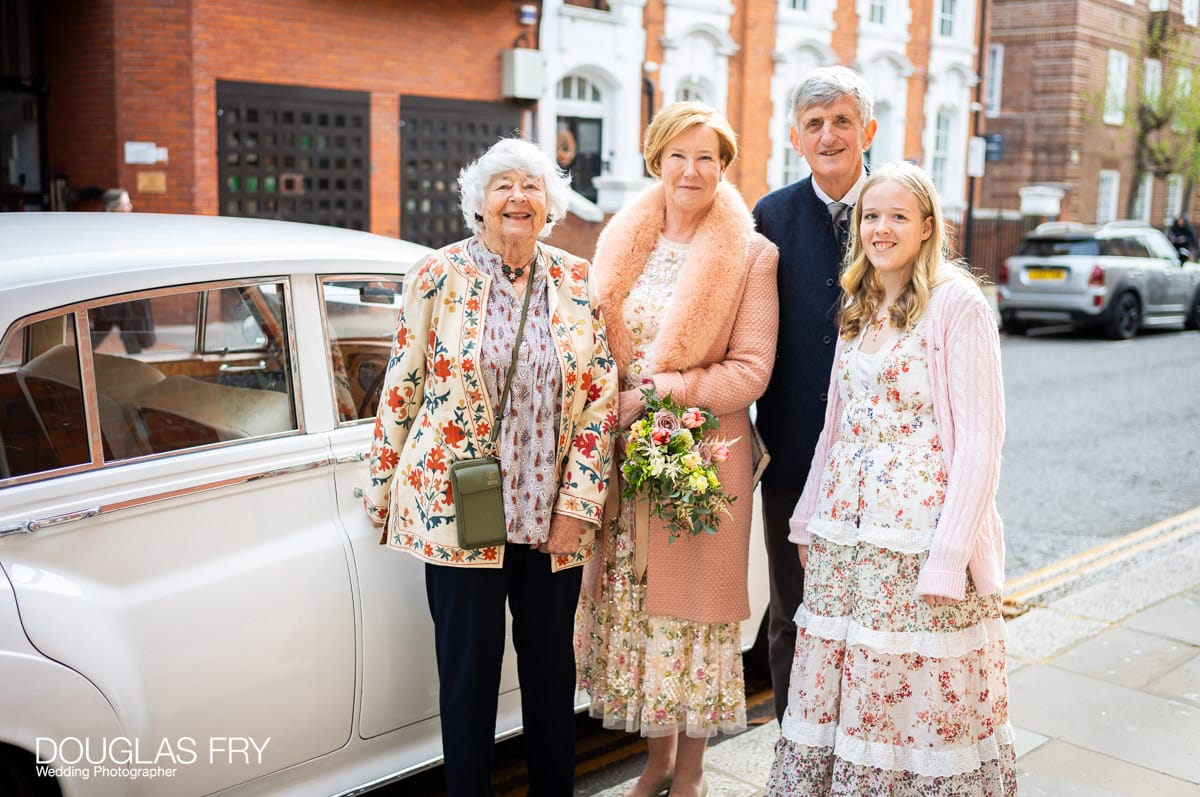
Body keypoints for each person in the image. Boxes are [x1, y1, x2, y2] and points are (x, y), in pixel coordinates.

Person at [362, 137, 618, 796]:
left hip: (549, 518)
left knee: (550, 676)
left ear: (549, 204)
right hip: (460, 515)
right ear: (480, 202)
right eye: (503, 185)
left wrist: (579, 506)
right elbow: (403, 385)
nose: (517, 198)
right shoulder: (436, 275)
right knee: (469, 678)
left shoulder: (574, 278)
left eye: (531, 186)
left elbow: (599, 398)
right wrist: (381, 487)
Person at [765, 161, 1016, 795]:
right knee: (855, 687)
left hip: (917, 540)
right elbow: (835, 426)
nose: (881, 228)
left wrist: (948, 554)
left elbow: (982, 441)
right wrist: (805, 515)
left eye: (898, 216)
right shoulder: (861, 303)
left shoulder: (958, 304)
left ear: (928, 227)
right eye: (871, 216)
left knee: (913, 690)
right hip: (847, 542)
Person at [576, 101, 779, 797]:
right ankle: (656, 761)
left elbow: (750, 371)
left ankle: (688, 772)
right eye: (679, 156)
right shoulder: (621, 238)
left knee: (689, 621)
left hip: (700, 463)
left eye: (708, 158)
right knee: (641, 616)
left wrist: (658, 393)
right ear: (656, 159)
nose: (692, 171)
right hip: (626, 463)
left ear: (724, 168)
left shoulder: (751, 254)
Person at [752, 65, 877, 723]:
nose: (828, 135)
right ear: (796, 138)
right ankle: (792, 756)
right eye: (814, 124)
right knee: (792, 610)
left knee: (873, 614)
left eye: (841, 121)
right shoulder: (770, 215)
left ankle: (860, 759)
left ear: (868, 131)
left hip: (881, 460)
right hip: (793, 449)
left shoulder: (896, 209)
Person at [91, 187, 156, 353]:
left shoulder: (128, 230)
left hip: (127, 295)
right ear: (113, 208)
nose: (131, 207)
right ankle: (72, 363)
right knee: (104, 331)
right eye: (126, 204)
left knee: (128, 334)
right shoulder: (102, 232)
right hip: (112, 294)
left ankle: (71, 362)